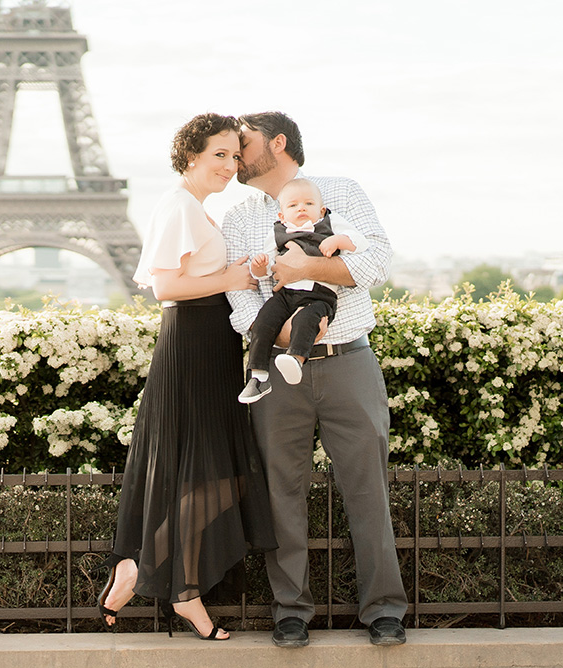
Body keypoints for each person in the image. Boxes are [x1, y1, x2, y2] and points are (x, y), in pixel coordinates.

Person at [222, 111, 408, 648]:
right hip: (278, 371)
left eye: (244, 143)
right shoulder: (238, 218)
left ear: (278, 143)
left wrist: (305, 270)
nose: (235, 153)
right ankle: (290, 610)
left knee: (367, 490)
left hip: (348, 359)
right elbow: (240, 300)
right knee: (281, 492)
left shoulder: (341, 192)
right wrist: (284, 343)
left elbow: (374, 264)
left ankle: (384, 610)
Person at [97, 113, 277, 641]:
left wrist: (243, 270)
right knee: (206, 468)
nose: (231, 165)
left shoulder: (194, 209)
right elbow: (166, 287)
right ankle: (184, 590)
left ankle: (139, 566)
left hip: (209, 346)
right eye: (219, 154)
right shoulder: (178, 205)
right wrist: (238, 274)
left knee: (206, 467)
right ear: (190, 155)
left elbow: (199, 274)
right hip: (193, 346)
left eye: (235, 155)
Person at [238, 177, 368, 403]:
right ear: (281, 215)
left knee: (306, 320)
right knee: (264, 320)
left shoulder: (329, 224)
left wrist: (339, 241)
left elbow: (361, 243)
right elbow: (267, 268)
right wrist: (259, 267)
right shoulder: (278, 232)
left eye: (308, 204)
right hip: (286, 294)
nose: (301, 209)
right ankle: (258, 376)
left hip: (319, 295)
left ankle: (295, 360)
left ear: (321, 209)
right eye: (293, 205)